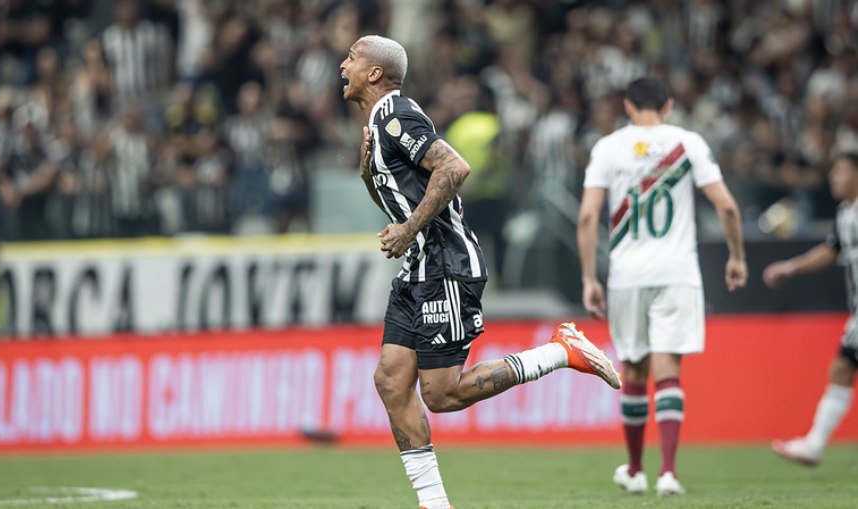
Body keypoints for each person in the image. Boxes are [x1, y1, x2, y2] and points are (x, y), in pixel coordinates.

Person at [341, 35, 622, 509]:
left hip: (447, 266)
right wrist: (370, 174)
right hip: (418, 269)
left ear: (374, 73)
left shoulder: (396, 116)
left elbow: (454, 167)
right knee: (391, 380)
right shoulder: (377, 125)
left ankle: (561, 351)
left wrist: (409, 229)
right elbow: (397, 196)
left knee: (443, 394)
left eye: (352, 57)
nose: (342, 64)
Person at [577, 77, 747, 496]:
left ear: (628, 106)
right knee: (668, 371)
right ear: (668, 106)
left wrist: (588, 277)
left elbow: (586, 217)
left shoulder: (609, 147)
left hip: (627, 275)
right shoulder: (687, 142)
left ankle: (635, 470)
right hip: (676, 272)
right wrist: (737, 256)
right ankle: (669, 473)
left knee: (633, 370)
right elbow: (725, 203)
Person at [766, 152, 858, 466]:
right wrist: (790, 268)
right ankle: (813, 445)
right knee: (843, 368)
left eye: (842, 171)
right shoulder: (846, 213)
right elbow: (832, 250)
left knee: (843, 367)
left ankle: (814, 444)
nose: (834, 177)